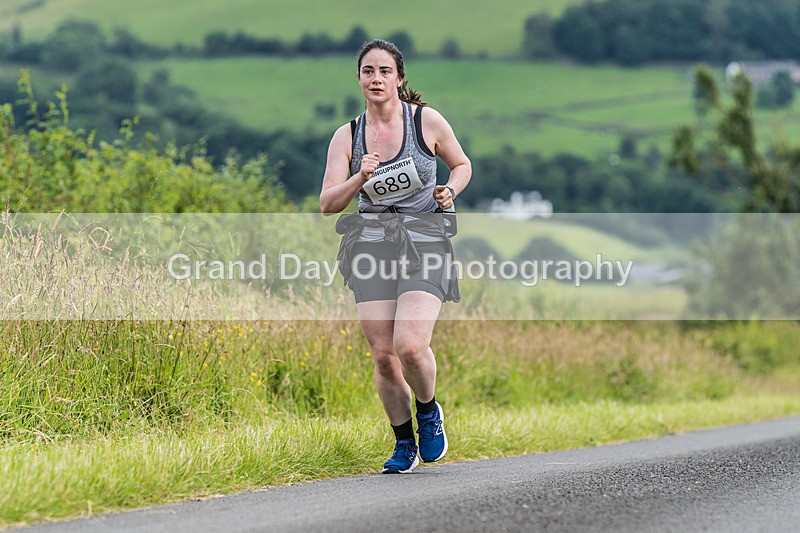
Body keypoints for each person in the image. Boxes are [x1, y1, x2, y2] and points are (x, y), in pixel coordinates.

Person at [320, 38, 471, 473]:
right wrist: (358, 177)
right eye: (368, 71)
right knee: (383, 353)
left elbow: (462, 165)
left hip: (425, 239)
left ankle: (428, 410)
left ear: (399, 78)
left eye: (385, 71)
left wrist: (450, 189)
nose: (376, 79)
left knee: (409, 345)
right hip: (371, 243)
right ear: (359, 80)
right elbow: (328, 203)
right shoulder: (346, 135)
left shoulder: (426, 121)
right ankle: (403, 442)